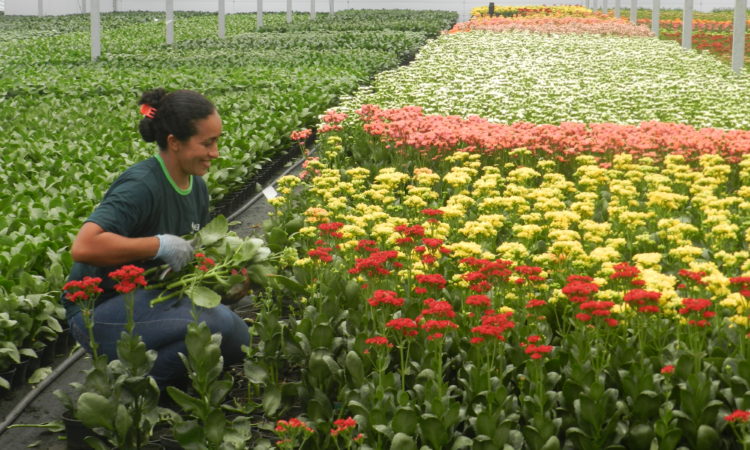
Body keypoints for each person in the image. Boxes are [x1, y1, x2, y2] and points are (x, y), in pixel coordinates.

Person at [63, 88, 249, 388]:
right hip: (99, 308)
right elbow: (84, 247)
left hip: (149, 297)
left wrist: (226, 277)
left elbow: (191, 258)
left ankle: (153, 377)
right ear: (174, 142)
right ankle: (129, 393)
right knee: (217, 323)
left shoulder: (196, 186)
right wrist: (159, 245)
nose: (215, 152)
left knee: (238, 341)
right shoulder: (141, 185)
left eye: (217, 141)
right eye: (207, 143)